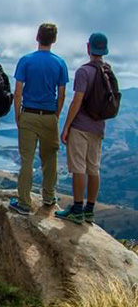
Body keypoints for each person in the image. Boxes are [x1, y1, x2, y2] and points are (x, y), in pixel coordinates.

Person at [9, 23, 69, 215]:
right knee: (50, 159)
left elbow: (17, 92)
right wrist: (56, 115)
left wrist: (18, 115)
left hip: (28, 114)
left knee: (26, 159)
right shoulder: (60, 63)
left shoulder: (25, 60)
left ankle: (24, 204)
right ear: (54, 40)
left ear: (37, 37)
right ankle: (49, 197)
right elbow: (62, 95)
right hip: (50, 116)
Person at [56, 33, 115, 224]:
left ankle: (78, 208)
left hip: (81, 126)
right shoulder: (108, 71)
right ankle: (90, 210)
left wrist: (66, 127)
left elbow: (77, 100)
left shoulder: (83, 72)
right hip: (99, 127)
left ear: (88, 48)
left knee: (78, 168)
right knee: (93, 168)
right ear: (104, 50)